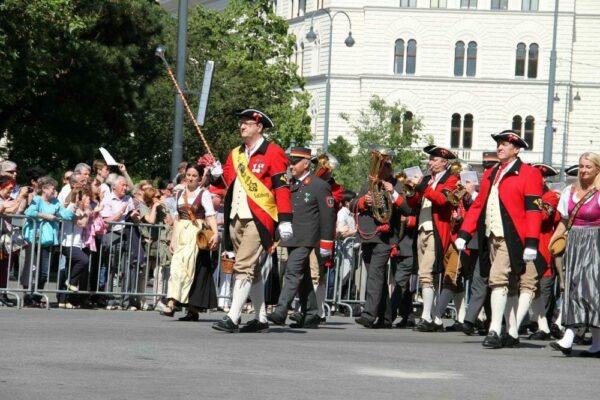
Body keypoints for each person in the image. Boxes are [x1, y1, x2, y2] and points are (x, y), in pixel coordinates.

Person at [456, 130, 544, 349]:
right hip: (491, 235)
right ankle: (512, 332)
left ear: (516, 149)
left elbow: (533, 211)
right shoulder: (491, 173)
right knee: (510, 285)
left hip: (513, 237)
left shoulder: (529, 174)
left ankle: (494, 329)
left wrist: (532, 242)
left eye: (505, 144)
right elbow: (479, 205)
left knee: (497, 279)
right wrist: (464, 233)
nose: (500, 148)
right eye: (499, 144)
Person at [211, 109, 293, 333]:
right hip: (236, 215)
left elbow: (281, 188)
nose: (242, 127)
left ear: (259, 127)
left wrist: (285, 219)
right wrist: (216, 175)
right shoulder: (236, 153)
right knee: (253, 268)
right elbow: (228, 185)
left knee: (243, 265)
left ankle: (233, 316)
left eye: (247, 123)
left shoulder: (273, 152)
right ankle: (261, 318)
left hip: (259, 217)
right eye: (241, 123)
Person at [266, 147, 335, 329]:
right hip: (292, 237)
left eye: (295, 162)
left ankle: (281, 311)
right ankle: (311, 313)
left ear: (306, 164)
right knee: (302, 277)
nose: (291, 165)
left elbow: (328, 217)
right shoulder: (291, 184)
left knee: (292, 271)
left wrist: (326, 243)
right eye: (291, 161)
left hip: (307, 238)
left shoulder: (319, 185)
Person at [549, 152, 600, 357]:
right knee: (573, 288)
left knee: (589, 290)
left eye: (588, 166)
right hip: (574, 245)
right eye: (581, 166)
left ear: (597, 169)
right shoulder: (569, 191)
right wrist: (554, 240)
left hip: (595, 244)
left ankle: (569, 337)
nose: (583, 170)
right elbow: (564, 220)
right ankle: (597, 344)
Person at [351, 147, 406, 328]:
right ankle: (386, 317)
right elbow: (352, 203)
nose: (377, 170)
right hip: (367, 234)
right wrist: (362, 202)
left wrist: (392, 193)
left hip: (385, 236)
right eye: (377, 166)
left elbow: (406, 209)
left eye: (382, 166)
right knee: (377, 277)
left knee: (375, 275)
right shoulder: (368, 184)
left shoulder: (396, 185)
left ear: (389, 169)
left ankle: (369, 314)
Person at [406, 145, 458, 332]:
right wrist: (411, 191)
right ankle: (435, 318)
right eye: (430, 159)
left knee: (426, 274)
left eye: (434, 160)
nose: (430, 162)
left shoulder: (452, 180)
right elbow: (415, 203)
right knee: (426, 274)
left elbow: (442, 200)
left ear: (444, 162)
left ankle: (426, 316)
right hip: (422, 229)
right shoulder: (428, 180)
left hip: (436, 231)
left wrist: (422, 185)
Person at [161, 163, 219, 320]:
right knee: (176, 267)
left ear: (199, 178)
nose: (191, 178)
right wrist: (173, 239)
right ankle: (174, 301)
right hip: (181, 232)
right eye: (188, 175)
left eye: (194, 176)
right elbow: (177, 218)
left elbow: (210, 215)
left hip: (195, 232)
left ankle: (174, 302)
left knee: (187, 268)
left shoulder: (204, 194)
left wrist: (215, 234)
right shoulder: (179, 194)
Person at [22, 176, 75, 306]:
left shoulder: (56, 202)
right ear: (44, 189)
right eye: (52, 188)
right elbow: (29, 212)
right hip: (35, 239)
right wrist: (45, 216)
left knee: (44, 272)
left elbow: (67, 215)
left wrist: (74, 207)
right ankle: (29, 297)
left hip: (48, 241)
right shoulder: (37, 200)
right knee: (33, 270)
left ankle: (37, 297)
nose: (54, 191)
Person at [526, 163, 561, 340]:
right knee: (527, 287)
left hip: (543, 247)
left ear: (544, 179)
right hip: (525, 246)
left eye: (539, 177)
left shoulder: (550, 196)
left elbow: (542, 216)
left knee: (544, 286)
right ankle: (544, 325)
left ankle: (543, 324)